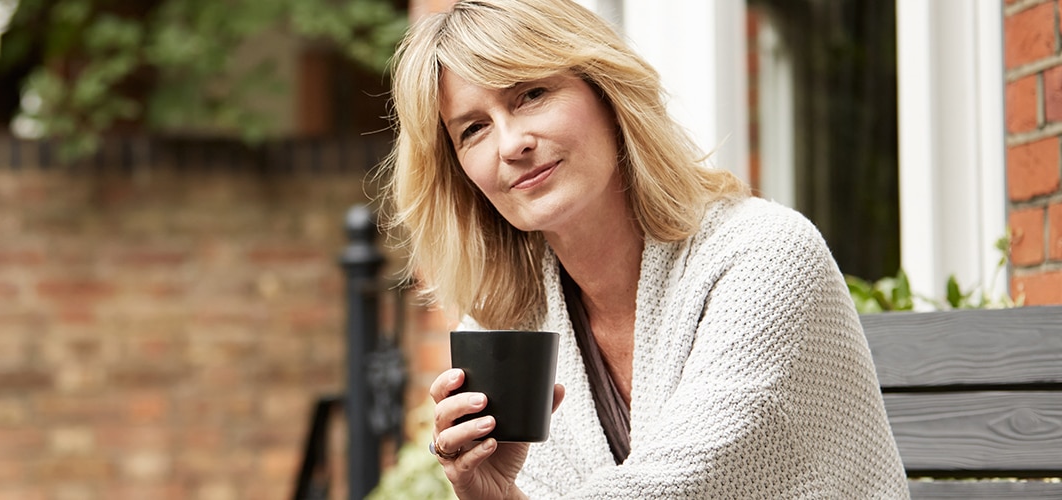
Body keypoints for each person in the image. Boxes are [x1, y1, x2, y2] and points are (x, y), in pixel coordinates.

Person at [380, 0, 909, 498]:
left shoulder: (766, 256)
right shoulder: (505, 326)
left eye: (531, 94)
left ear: (607, 94)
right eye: (474, 129)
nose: (511, 143)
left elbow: (692, 480)